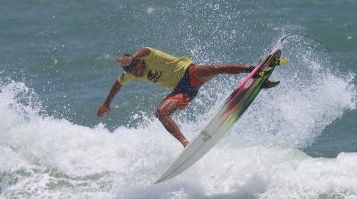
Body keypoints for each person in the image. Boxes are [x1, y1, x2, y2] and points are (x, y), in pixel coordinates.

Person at [97, 47, 260, 147]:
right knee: (161, 113)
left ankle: (253, 69)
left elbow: (145, 49)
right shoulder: (132, 74)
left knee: (213, 69)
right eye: (130, 71)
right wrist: (106, 103)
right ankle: (185, 143)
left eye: (135, 68)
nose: (134, 73)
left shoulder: (149, 56)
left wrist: (132, 58)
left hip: (190, 73)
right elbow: (118, 84)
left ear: (139, 61)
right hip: (182, 91)